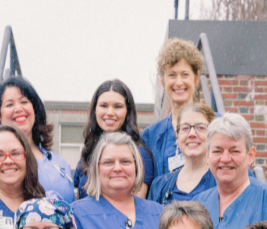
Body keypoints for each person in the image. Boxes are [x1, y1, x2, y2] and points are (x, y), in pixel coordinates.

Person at [65, 133, 169, 229]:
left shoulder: (159, 213)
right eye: (108, 162)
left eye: (125, 161)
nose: (118, 168)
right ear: (96, 169)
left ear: (137, 167)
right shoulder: (79, 214)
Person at [0, 76, 76, 202]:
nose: (18, 109)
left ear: (34, 109)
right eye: (9, 104)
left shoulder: (59, 162)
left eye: (24, 102)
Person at [73, 80, 156, 200]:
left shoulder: (139, 154)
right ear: (95, 110)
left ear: (127, 112)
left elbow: (136, 208)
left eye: (118, 106)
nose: (110, 112)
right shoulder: (86, 155)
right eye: (103, 106)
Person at [141, 38, 205, 181]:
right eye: (172, 75)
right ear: (163, 81)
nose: (178, 82)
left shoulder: (217, 125)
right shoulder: (150, 136)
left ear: (196, 79)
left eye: (185, 74)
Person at [148, 103, 218, 205]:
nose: (192, 134)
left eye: (200, 128)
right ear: (177, 136)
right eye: (185, 128)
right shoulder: (159, 186)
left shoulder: (223, 182)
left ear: (213, 135)